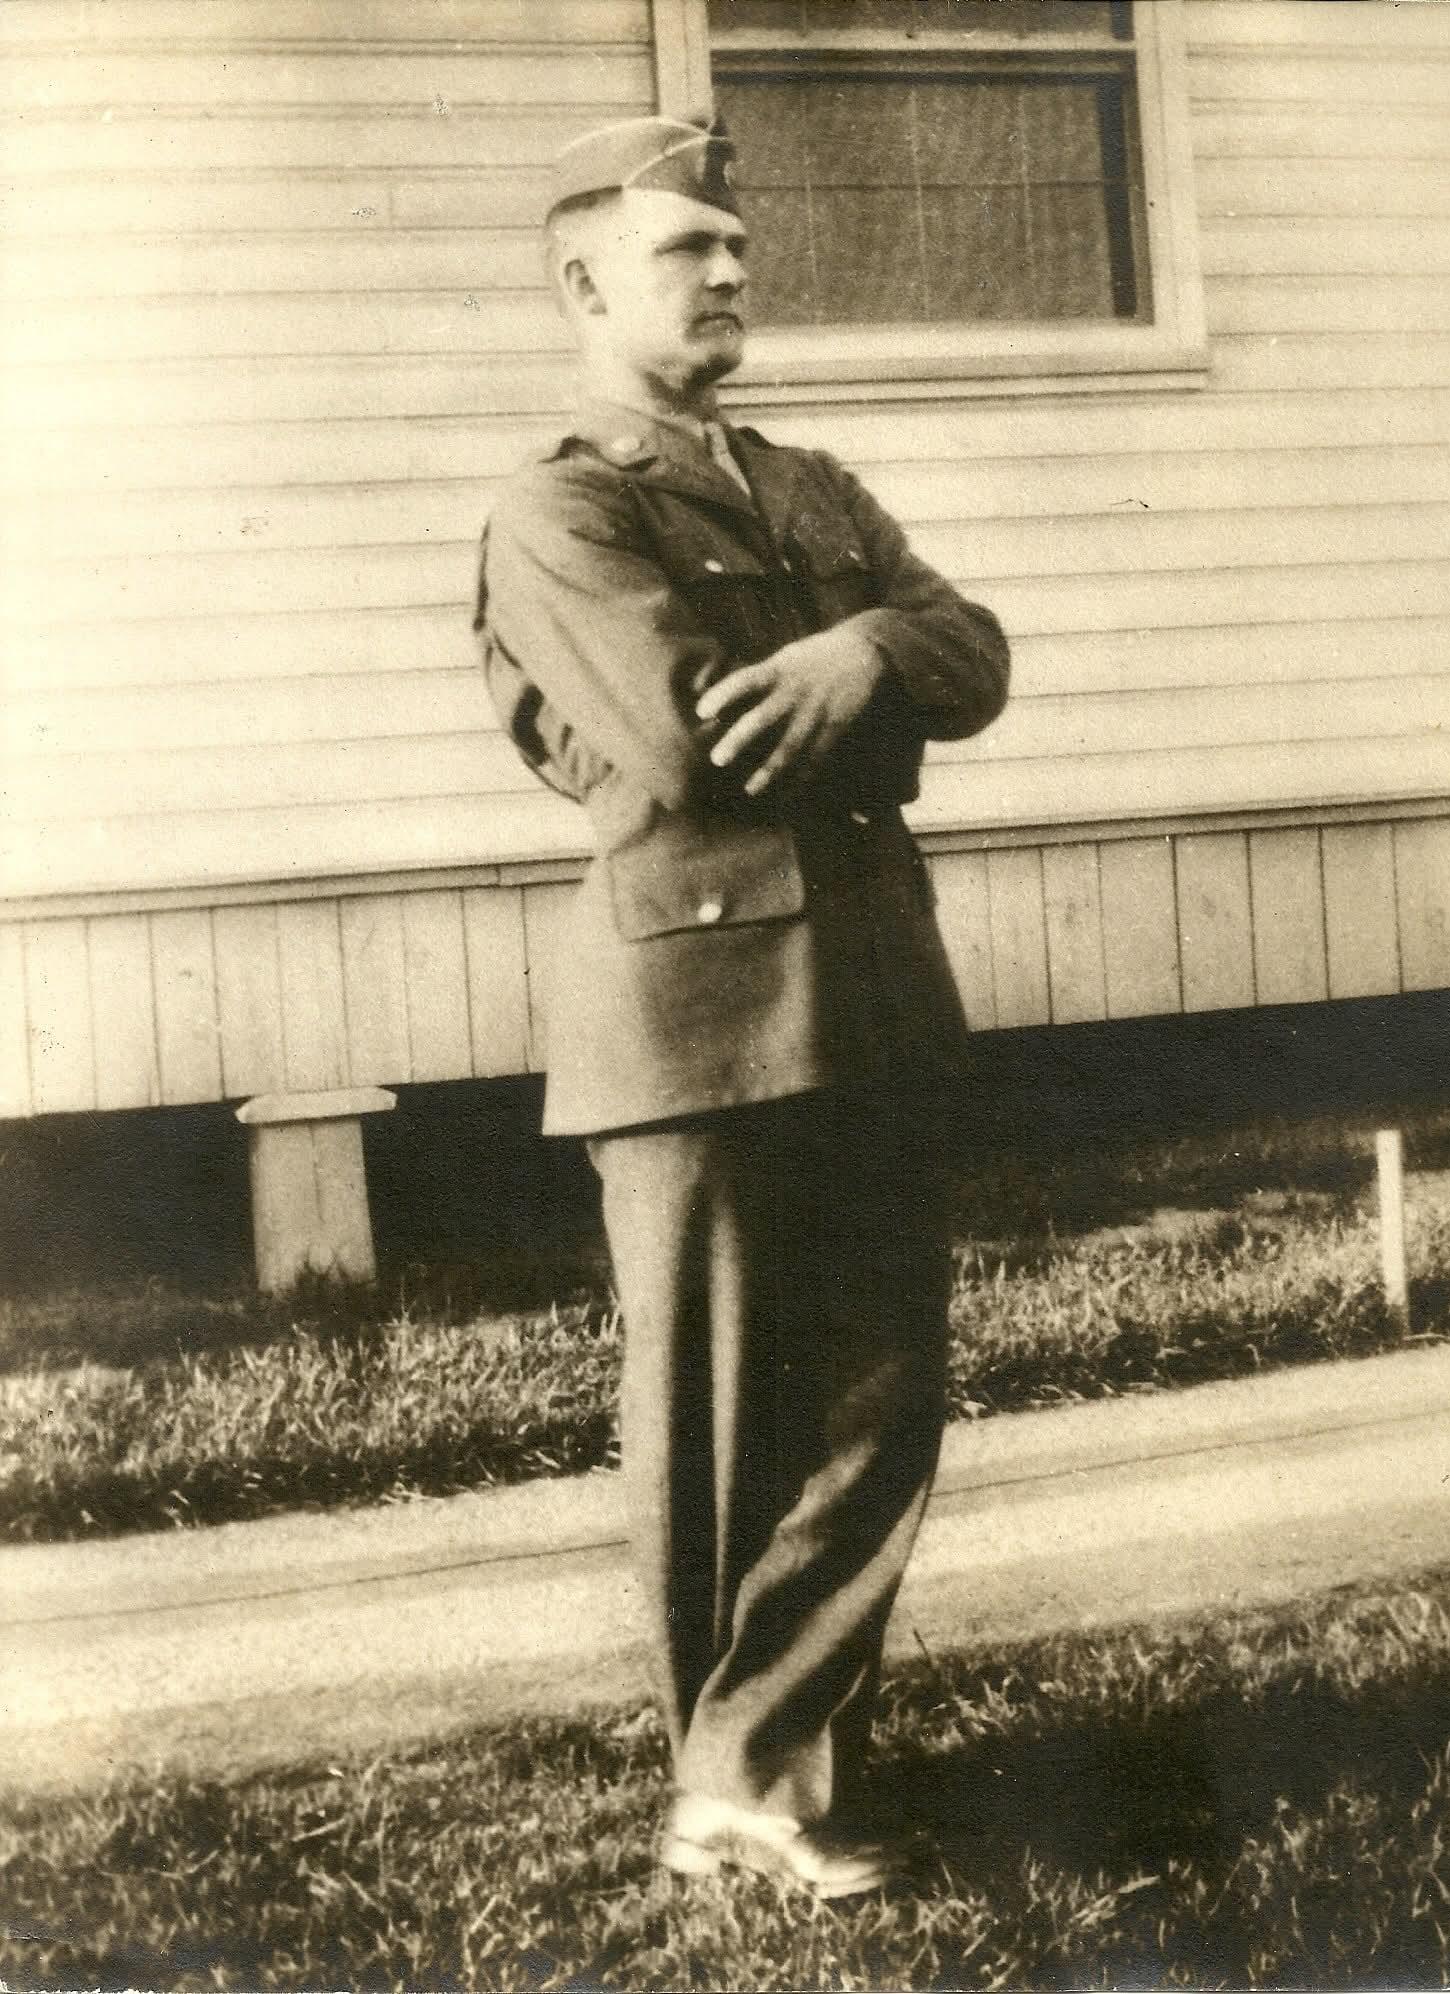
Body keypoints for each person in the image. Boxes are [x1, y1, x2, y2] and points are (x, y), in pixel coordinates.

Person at [476, 113, 1009, 1897]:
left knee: (884, 1392)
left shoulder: (812, 487)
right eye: (686, 251)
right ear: (583, 281)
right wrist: (877, 675)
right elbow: (692, 734)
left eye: (738, 254)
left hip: (871, 990)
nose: (728, 279)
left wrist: (864, 647)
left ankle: (748, 1764)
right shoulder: (562, 506)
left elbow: (973, 650)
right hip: (693, 1018)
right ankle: (746, 1783)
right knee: (715, 1419)